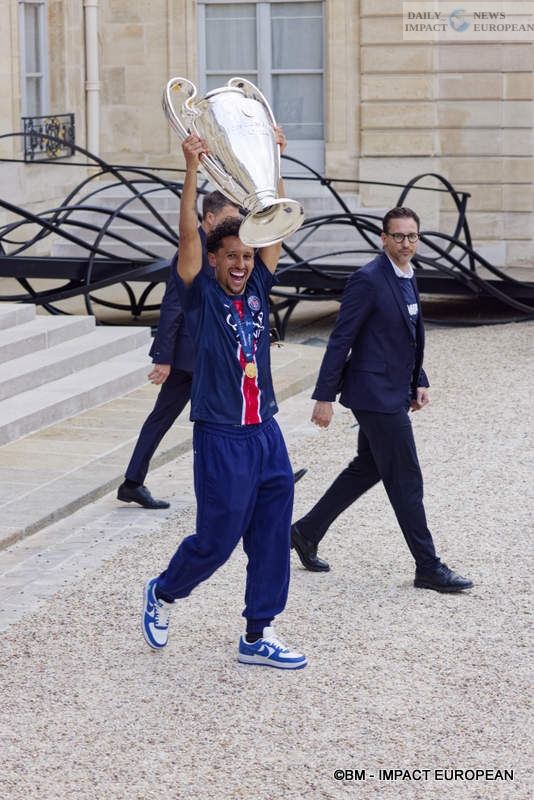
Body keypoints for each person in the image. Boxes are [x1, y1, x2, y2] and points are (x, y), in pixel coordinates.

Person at [141, 130, 307, 669]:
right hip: (221, 435)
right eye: (230, 256)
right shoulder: (200, 293)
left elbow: (277, 222)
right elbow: (188, 236)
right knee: (217, 539)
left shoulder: (257, 284)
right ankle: (164, 592)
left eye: (246, 255)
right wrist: (190, 167)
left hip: (266, 432)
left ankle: (258, 635)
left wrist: (274, 158)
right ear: (213, 260)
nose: (240, 264)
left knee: (271, 532)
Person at [291, 207, 473, 594]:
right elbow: (342, 338)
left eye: (412, 237)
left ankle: (305, 532)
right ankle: (428, 567)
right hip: (374, 395)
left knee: (368, 467)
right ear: (383, 238)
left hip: (393, 389)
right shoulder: (368, 279)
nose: (405, 243)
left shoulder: (408, 276)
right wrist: (324, 396)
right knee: (406, 477)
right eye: (398, 236)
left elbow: (407, 334)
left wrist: (418, 379)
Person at [117, 191, 241, 509]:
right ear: (209, 218)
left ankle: (132, 481)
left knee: (171, 417)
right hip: (193, 356)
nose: (234, 224)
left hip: (203, 352)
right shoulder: (192, 248)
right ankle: (261, 478)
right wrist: (164, 358)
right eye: (229, 218)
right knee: (235, 412)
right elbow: (174, 303)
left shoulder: (216, 247)